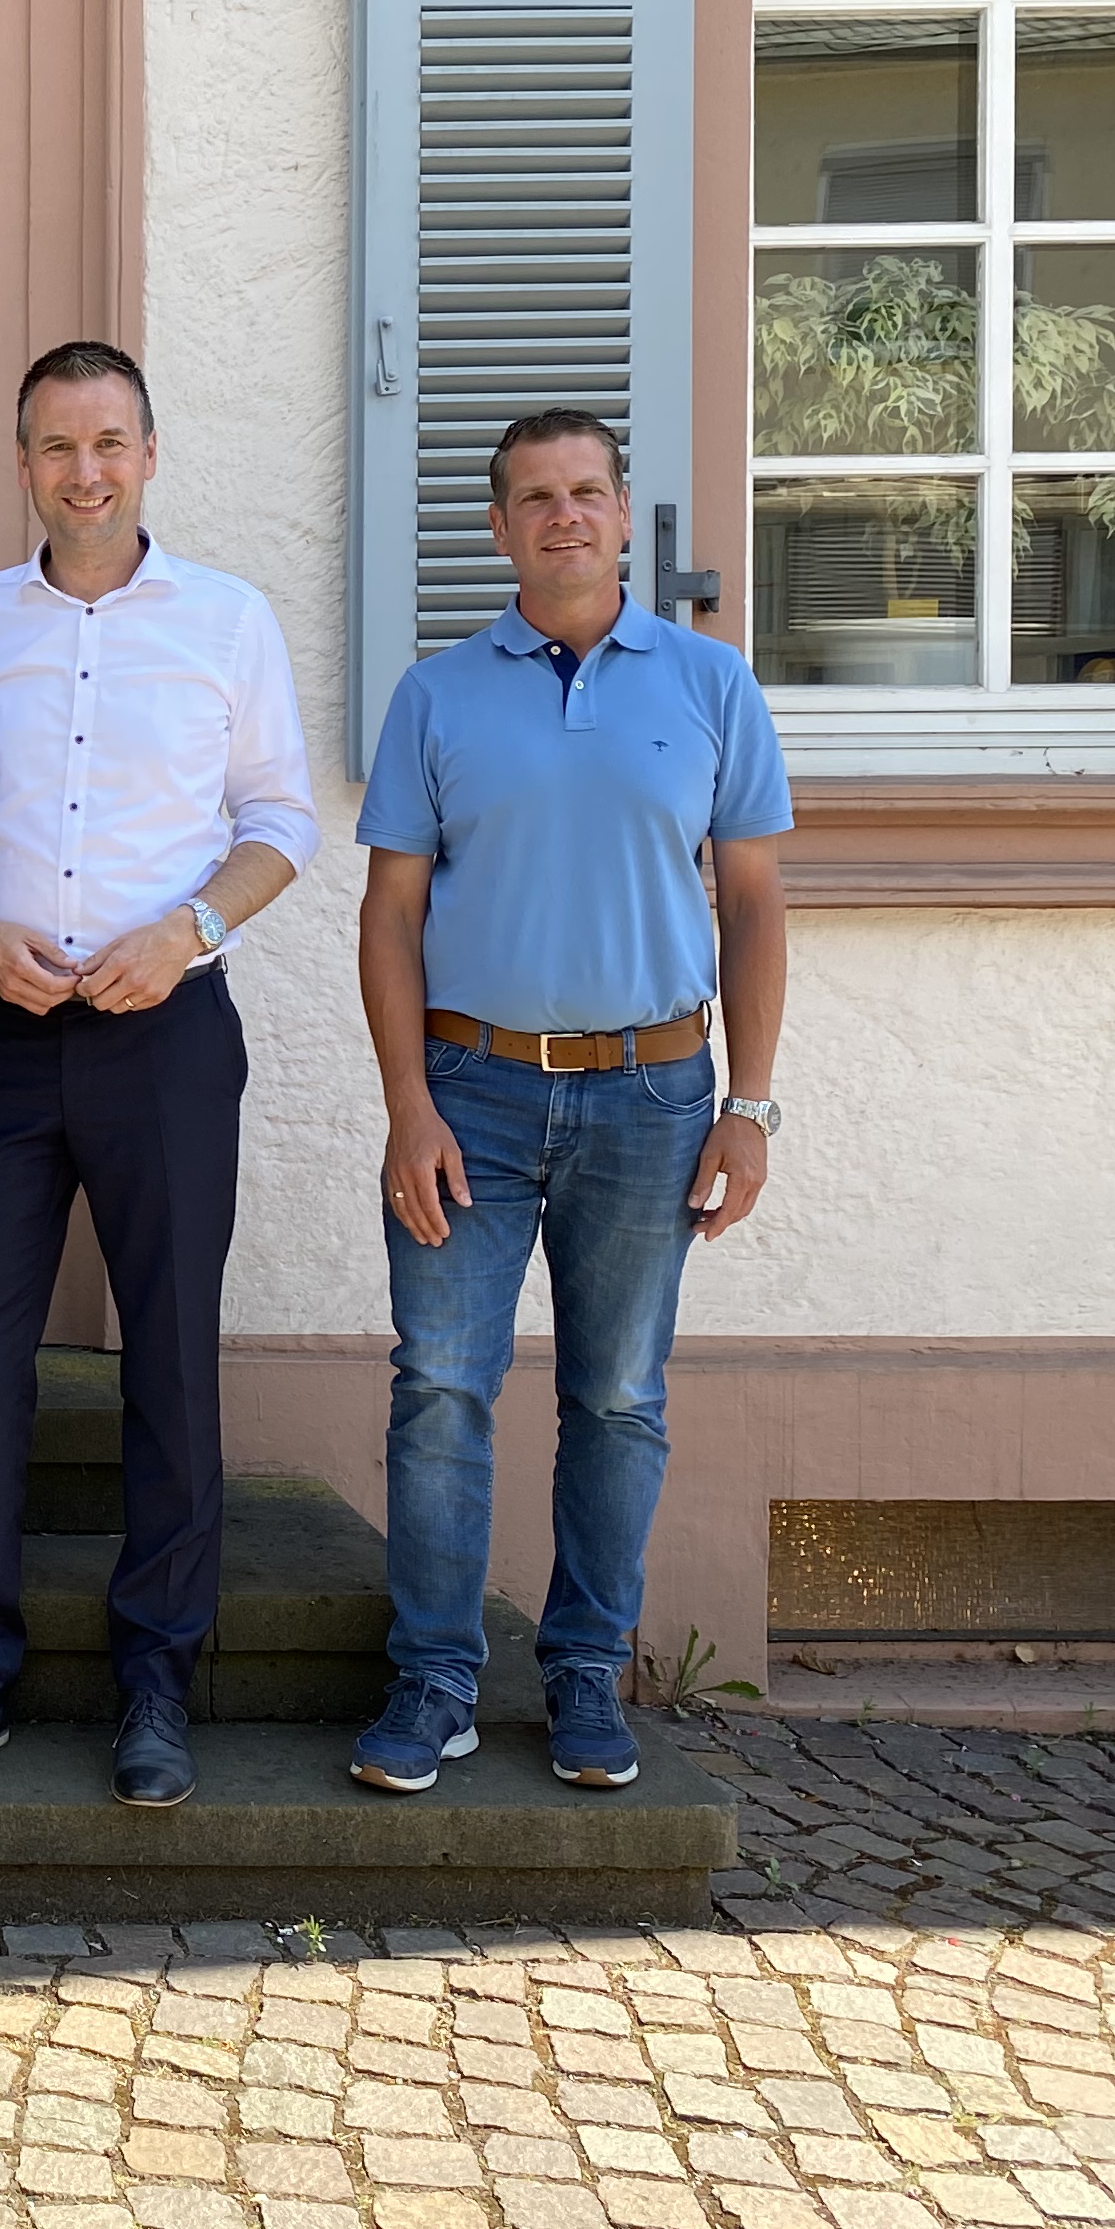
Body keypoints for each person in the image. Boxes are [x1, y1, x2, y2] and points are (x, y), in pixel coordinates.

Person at [0, 341, 319, 1810]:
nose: (85, 471)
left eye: (110, 443)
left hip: (166, 1032)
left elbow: (279, 819)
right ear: (24, 465)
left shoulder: (228, 621)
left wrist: (190, 930)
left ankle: (156, 1680)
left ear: (150, 454)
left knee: (173, 1357)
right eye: (57, 447)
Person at [351, 406, 791, 1796]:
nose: (563, 517)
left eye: (586, 492)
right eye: (533, 498)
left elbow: (758, 905)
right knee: (438, 1392)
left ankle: (588, 1672)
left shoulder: (712, 687)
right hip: (471, 1090)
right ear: (499, 528)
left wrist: (752, 1104)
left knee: (614, 1396)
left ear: (621, 509)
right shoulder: (436, 694)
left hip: (654, 1093)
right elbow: (389, 914)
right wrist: (407, 1104)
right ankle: (433, 1681)